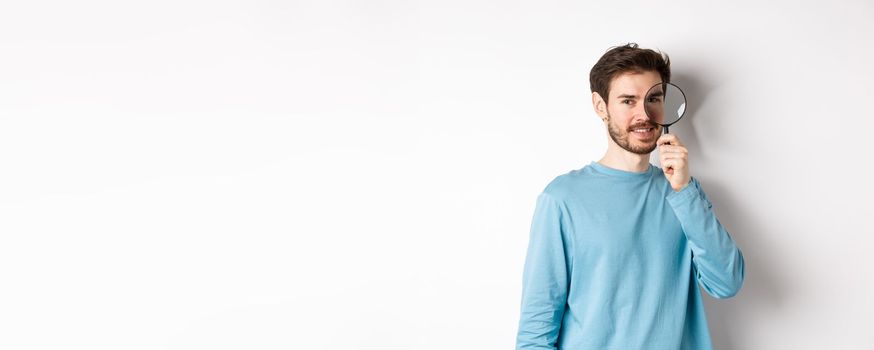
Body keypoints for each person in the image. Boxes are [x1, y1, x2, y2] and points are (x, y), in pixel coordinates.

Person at [515, 43, 745, 349]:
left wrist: (684, 190)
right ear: (600, 106)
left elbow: (727, 283)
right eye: (628, 101)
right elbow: (536, 328)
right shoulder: (562, 198)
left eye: (653, 99)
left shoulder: (683, 191)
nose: (644, 114)